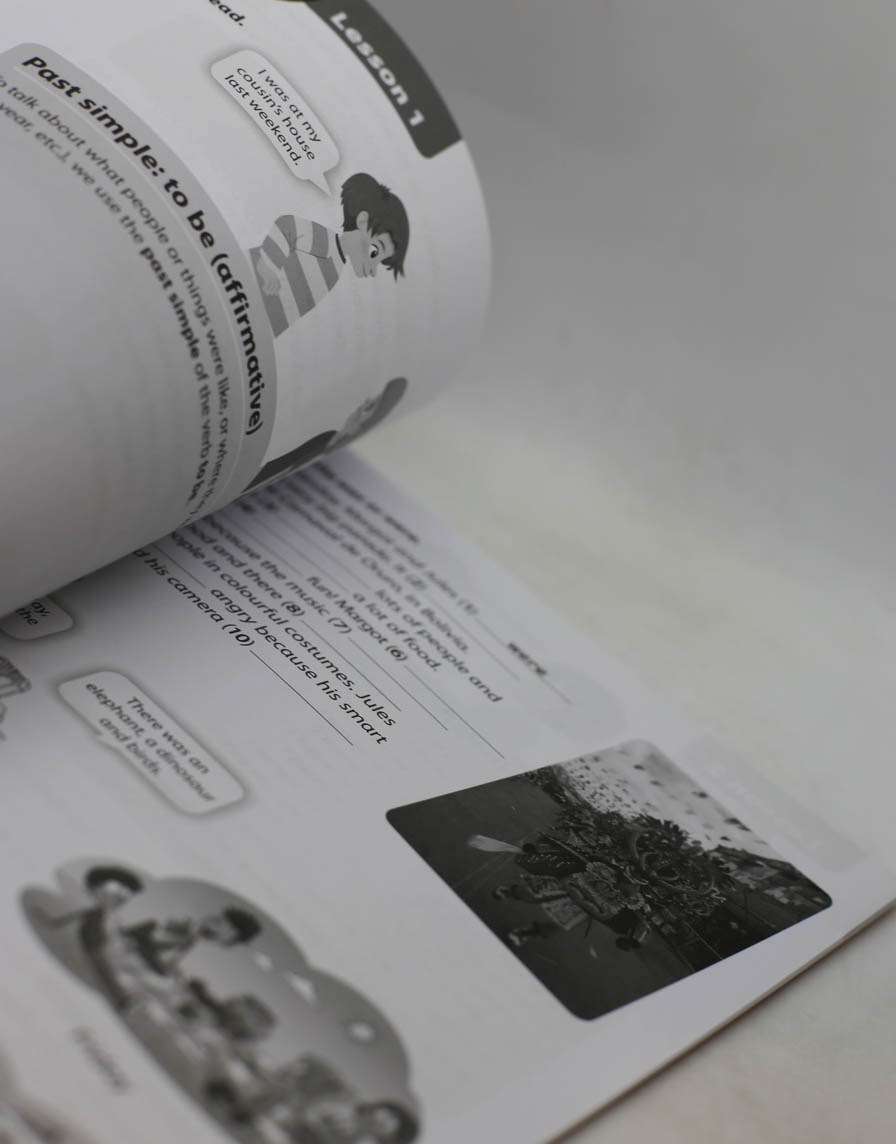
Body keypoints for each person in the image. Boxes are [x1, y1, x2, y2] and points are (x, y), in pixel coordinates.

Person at [250, 173, 409, 337]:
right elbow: (287, 225)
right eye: (374, 252)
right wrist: (266, 265)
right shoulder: (325, 243)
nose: (373, 270)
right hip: (247, 282)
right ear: (362, 221)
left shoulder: (335, 270)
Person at [121, 905, 261, 975]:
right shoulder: (192, 929)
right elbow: (162, 931)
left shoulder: (197, 938)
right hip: (147, 944)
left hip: (154, 954)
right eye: (219, 921)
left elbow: (169, 961)